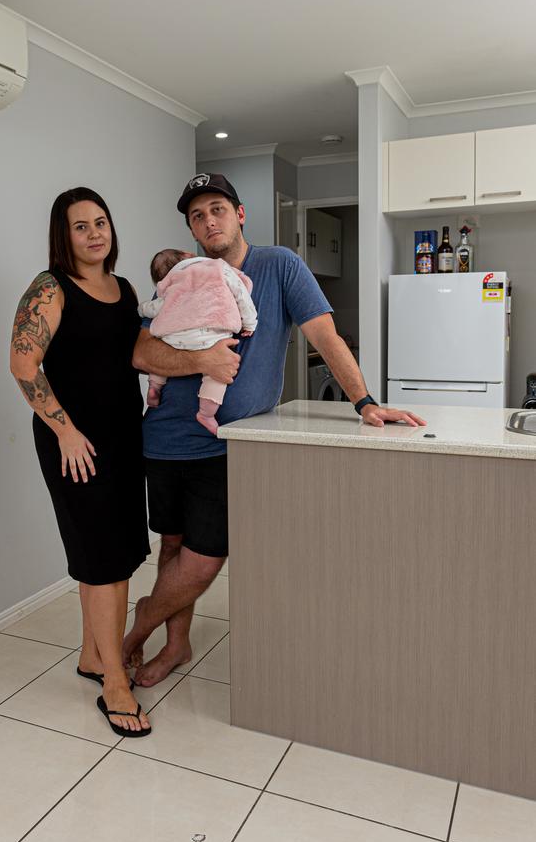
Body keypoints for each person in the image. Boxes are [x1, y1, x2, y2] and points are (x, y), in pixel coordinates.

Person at [123, 172, 425, 687]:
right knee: (170, 549)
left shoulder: (278, 265)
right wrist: (201, 360)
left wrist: (365, 401)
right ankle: (176, 645)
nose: (208, 220)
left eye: (217, 208)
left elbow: (323, 334)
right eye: (197, 215)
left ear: (240, 214)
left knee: (204, 559)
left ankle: (135, 629)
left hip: (226, 443)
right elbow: (142, 351)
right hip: (164, 438)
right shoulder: (186, 274)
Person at [10, 187, 151, 736]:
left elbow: (132, 355)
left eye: (101, 222)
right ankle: (114, 682)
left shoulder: (123, 287)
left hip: (122, 439)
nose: (95, 233)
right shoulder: (50, 288)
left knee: (115, 554)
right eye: (80, 226)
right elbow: (24, 364)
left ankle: (94, 655)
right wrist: (65, 431)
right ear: (62, 235)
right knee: (103, 563)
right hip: (75, 445)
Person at [139, 248, 258, 434]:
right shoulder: (217, 267)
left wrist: (141, 309)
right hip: (211, 336)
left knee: (163, 347)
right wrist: (249, 322)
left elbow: (156, 308)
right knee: (216, 374)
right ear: (188, 255)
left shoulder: (172, 283)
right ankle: (206, 413)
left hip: (177, 338)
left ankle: (154, 386)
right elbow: (240, 294)